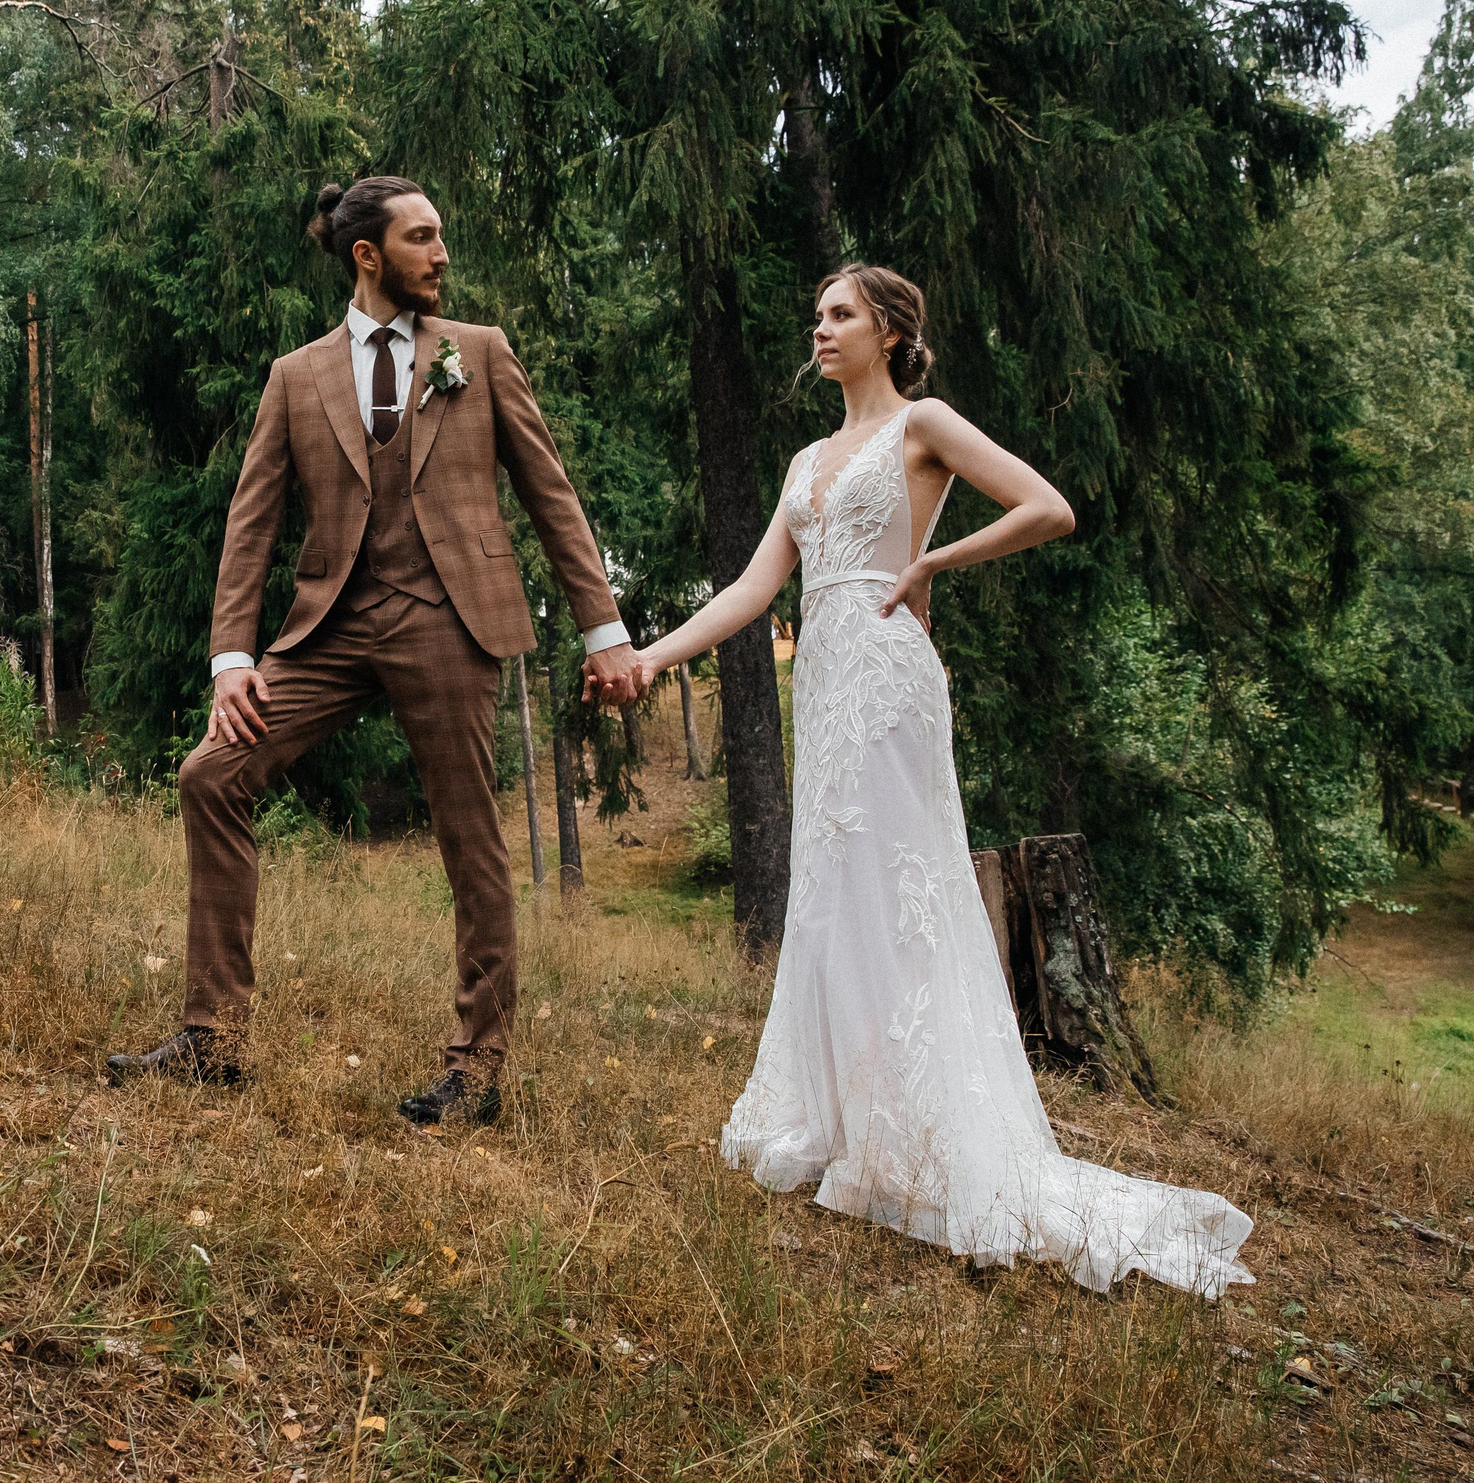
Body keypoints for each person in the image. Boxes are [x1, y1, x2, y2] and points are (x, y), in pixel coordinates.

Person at [599, 264, 1255, 1299]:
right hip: (823, 675)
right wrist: (648, 657)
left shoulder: (924, 425)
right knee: (832, 894)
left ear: (890, 331)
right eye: (815, 313)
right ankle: (857, 1125)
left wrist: (934, 565)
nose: (819, 328)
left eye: (840, 314)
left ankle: (931, 1137)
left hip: (893, 677)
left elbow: (1050, 508)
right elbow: (750, 590)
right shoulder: (804, 460)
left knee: (901, 895)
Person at [106, 176, 643, 1125]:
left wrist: (605, 633)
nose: (442, 254)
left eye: (441, 237)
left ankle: (478, 1066)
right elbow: (251, 522)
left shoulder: (479, 354)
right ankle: (213, 1039)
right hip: (333, 626)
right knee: (212, 775)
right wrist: (233, 656)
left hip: (451, 617)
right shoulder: (296, 375)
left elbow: (552, 497)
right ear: (368, 254)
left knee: (469, 839)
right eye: (423, 238)